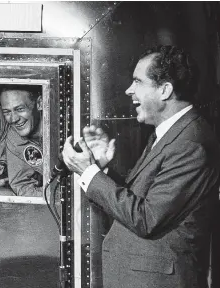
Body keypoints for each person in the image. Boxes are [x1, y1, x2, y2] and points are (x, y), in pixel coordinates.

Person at [62, 46, 220, 288]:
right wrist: (101, 168)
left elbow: (147, 219)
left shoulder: (190, 143)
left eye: (138, 81)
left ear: (165, 90)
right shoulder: (173, 133)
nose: (129, 90)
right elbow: (146, 200)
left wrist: (89, 173)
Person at [0, 86, 43, 196]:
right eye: (7, 112)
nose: (13, 119)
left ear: (39, 104)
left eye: (20, 109)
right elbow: (21, 184)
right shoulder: (13, 136)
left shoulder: (63, 130)